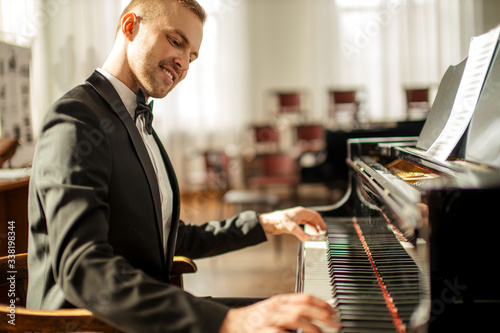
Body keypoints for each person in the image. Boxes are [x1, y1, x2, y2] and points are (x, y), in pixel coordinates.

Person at [27, 0, 340, 332]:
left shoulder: (135, 120)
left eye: (191, 56)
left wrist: (266, 223)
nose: (183, 64)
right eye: (176, 41)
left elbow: (167, 238)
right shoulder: (76, 120)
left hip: (144, 312)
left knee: (309, 316)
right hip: (89, 323)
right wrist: (229, 321)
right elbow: (82, 268)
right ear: (130, 26)